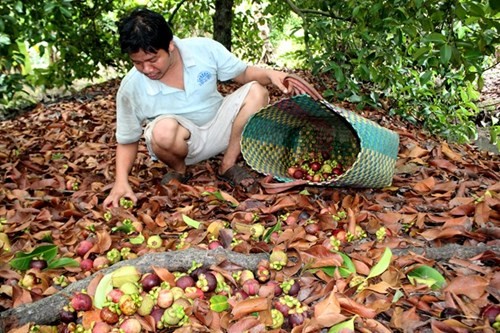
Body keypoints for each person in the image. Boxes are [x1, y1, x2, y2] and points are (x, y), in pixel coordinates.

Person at [103, 7, 307, 208]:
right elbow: (127, 139)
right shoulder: (131, 87)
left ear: (170, 46)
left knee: (256, 91)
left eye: (153, 59)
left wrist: (271, 74)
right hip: (183, 145)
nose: (147, 69)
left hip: (222, 128)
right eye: (138, 63)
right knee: (162, 130)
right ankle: (179, 170)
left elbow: (242, 73)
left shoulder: (203, 49)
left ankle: (228, 164)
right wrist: (121, 181)